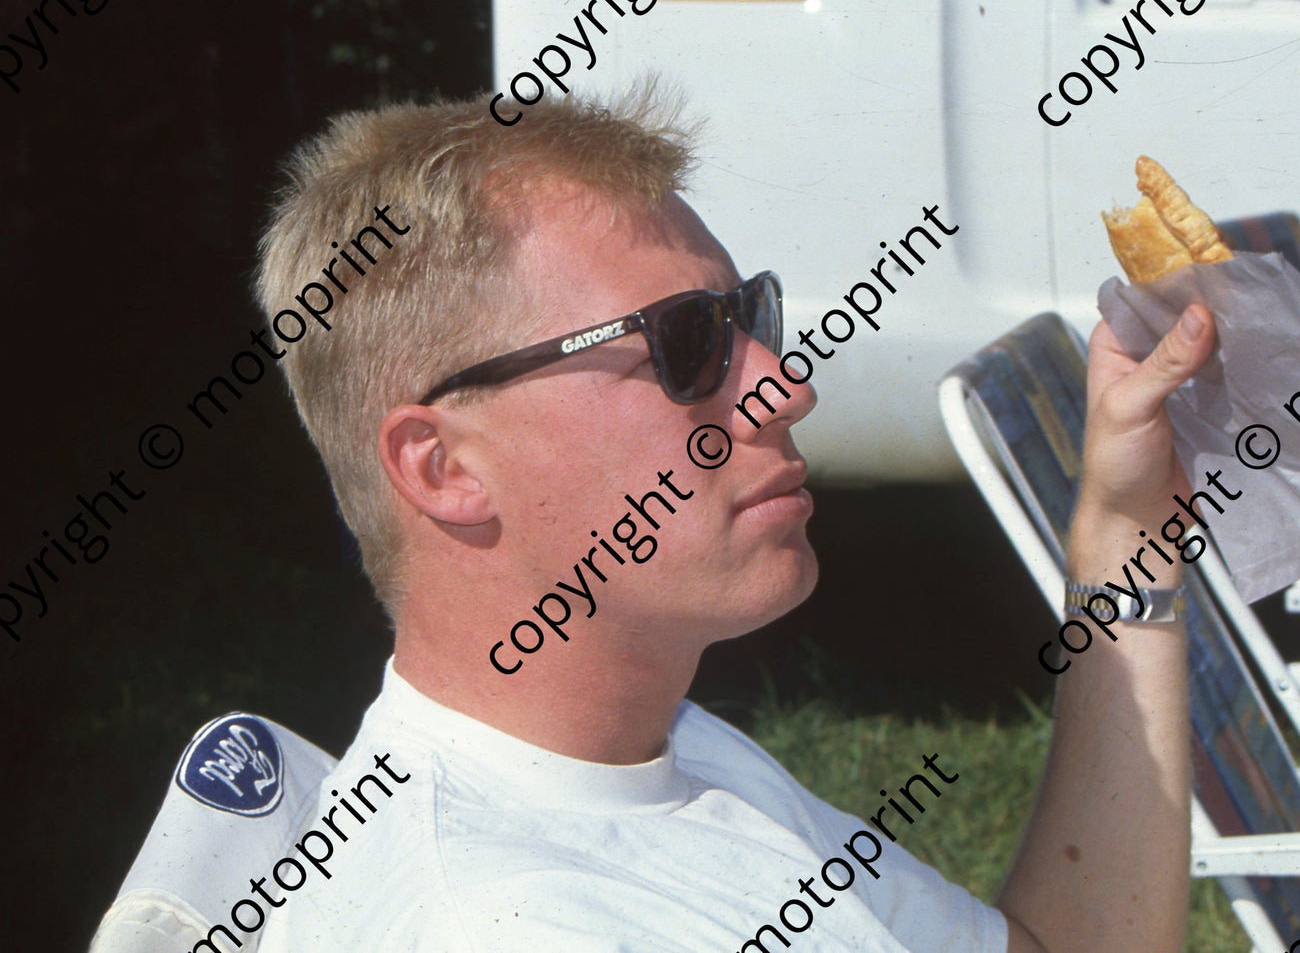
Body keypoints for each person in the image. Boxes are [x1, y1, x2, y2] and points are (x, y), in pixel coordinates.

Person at [248, 89, 1215, 952]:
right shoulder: (498, 921)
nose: (783, 387)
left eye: (750, 316)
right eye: (685, 343)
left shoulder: (672, 757)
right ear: (445, 466)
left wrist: (1127, 542)